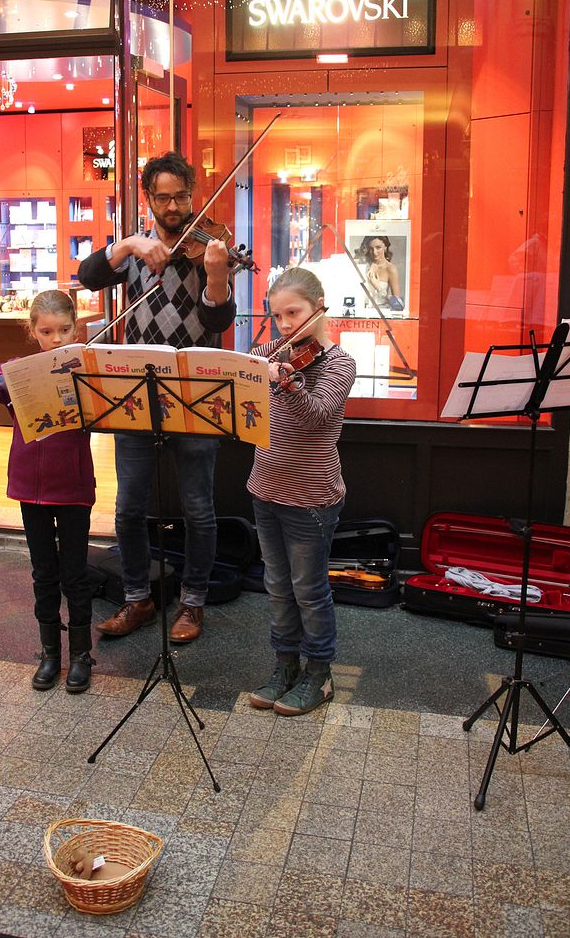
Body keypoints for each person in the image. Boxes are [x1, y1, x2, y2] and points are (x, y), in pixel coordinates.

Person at [78, 151, 235, 643]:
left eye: (182, 197)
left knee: (197, 507)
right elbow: (88, 276)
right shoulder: (138, 252)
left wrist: (216, 276)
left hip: (194, 387)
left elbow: (217, 323)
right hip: (137, 392)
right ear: (149, 198)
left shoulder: (210, 245)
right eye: (164, 197)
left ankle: (193, 603)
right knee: (127, 507)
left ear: (193, 195)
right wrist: (126, 246)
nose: (173, 206)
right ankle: (135, 599)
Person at [0, 290, 96, 694]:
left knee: (75, 573)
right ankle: (50, 652)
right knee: (43, 573)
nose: (56, 339)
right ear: (32, 331)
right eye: (46, 332)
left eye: (65, 330)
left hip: (73, 488)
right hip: (30, 490)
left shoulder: (84, 371)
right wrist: (4, 377)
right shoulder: (17, 370)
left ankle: (82, 654)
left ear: (77, 326)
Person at [247, 266, 356, 716]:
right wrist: (250, 371)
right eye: (278, 316)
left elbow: (317, 414)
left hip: (311, 498)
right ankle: (284, 667)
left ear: (319, 308)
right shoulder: (275, 350)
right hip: (265, 487)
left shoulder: (340, 363)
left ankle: (319, 675)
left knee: (309, 591)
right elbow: (246, 377)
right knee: (277, 587)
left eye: (294, 312)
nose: (286, 324)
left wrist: (284, 381)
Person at [357, 234, 403, 310]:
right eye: (371, 248)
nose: (374, 252)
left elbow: (398, 305)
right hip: (361, 313)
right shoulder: (363, 266)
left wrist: (378, 288)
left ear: (385, 247)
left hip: (381, 315)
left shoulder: (390, 268)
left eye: (378, 247)